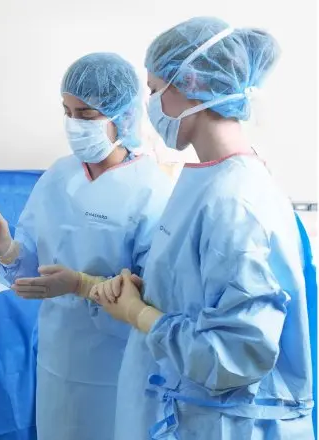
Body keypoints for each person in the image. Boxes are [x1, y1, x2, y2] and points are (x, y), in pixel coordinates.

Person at [92, 17, 315, 439]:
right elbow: (200, 291)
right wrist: (145, 291)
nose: (151, 105)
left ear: (189, 81)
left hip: (227, 424)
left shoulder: (236, 201)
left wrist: (141, 315)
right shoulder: (208, 181)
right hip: (195, 412)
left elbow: (236, 355)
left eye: (155, 90)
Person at [0, 53, 173, 439]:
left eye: (87, 114)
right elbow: (33, 267)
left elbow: (156, 296)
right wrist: (6, 248)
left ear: (122, 116)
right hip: (57, 359)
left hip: (118, 367)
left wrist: (81, 284)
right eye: (67, 111)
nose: (74, 124)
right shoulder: (59, 175)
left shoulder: (152, 192)